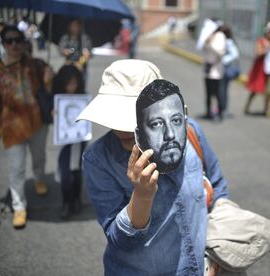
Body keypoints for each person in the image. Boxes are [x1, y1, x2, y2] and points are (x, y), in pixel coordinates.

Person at [76, 59, 229, 275]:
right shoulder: (98, 160)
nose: (123, 128)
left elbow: (217, 186)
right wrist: (142, 196)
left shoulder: (190, 132)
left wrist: (215, 254)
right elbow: (120, 240)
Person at [0, 25, 52, 229]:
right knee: (16, 168)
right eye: (9, 41)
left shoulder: (34, 64)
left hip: (37, 122)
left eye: (17, 39)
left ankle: (38, 178)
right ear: (3, 43)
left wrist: (49, 77)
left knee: (39, 156)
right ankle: (19, 207)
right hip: (11, 127)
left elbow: (50, 85)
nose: (14, 44)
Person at [52, 64, 87, 219]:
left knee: (77, 171)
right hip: (64, 142)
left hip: (78, 141)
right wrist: (52, 113)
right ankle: (66, 201)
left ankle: (76, 199)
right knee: (65, 173)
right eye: (68, 83)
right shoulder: (57, 98)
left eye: (74, 83)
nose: (72, 87)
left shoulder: (83, 97)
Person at [244, 21, 270, 117]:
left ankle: (266, 110)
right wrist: (267, 47)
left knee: (268, 92)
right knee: (255, 90)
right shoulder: (261, 41)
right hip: (261, 70)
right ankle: (247, 106)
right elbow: (258, 53)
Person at [200, 19, 226, 120]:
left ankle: (219, 113)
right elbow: (202, 48)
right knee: (208, 94)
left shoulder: (220, 36)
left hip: (216, 71)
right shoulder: (207, 35)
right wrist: (206, 42)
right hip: (207, 69)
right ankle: (208, 112)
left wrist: (210, 44)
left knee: (217, 94)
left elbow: (220, 52)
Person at [220, 25, 240, 117]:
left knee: (222, 90)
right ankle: (222, 109)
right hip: (222, 69)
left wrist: (223, 60)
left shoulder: (228, 42)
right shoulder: (227, 41)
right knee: (222, 90)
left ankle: (223, 110)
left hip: (225, 70)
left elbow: (235, 54)